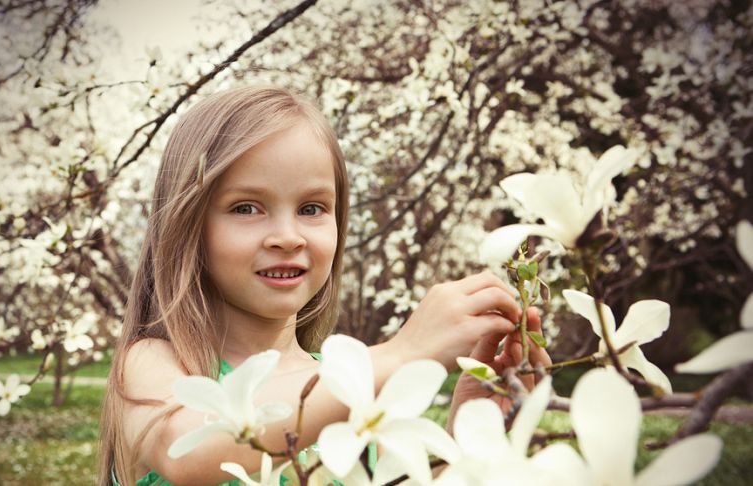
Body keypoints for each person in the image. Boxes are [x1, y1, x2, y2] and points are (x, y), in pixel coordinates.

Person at [97, 85, 549, 486]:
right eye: (246, 208)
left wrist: (474, 436)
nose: (288, 236)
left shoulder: (354, 386)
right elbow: (186, 452)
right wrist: (401, 354)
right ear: (187, 224)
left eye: (312, 208)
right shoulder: (152, 363)